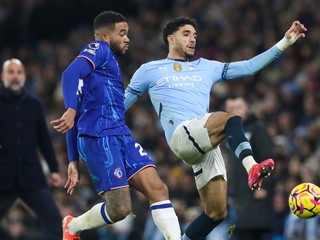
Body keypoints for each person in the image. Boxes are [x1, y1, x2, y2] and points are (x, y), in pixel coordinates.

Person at [124, 17, 307, 239]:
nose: (193, 39)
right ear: (170, 39)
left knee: (216, 213)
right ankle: (252, 167)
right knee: (231, 119)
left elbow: (249, 67)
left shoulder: (206, 67)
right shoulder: (150, 70)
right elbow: (120, 105)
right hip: (182, 134)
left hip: (205, 142)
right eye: (186, 34)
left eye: (195, 35)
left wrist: (285, 42)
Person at [51, 11, 181, 240]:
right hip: (99, 137)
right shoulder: (98, 49)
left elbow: (78, 113)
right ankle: (72, 227)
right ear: (104, 36)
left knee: (158, 189)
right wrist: (70, 109)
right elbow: (69, 73)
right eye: (122, 33)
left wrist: (72, 159)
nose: (127, 38)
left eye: (127, 33)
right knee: (120, 209)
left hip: (120, 133)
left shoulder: (101, 71)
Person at [0, 58, 63, 239]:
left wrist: (54, 169)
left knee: (57, 225)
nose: (15, 76)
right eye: (11, 72)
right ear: (3, 76)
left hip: (31, 177)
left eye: (19, 72)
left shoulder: (34, 104)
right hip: (3, 177)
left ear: (24, 77)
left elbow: (44, 140)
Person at [223, 96, 275, 240]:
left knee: (253, 234)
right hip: (238, 197)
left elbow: (268, 158)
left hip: (255, 194)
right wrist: (231, 192)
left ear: (247, 107)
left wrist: (265, 186)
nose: (236, 112)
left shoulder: (257, 128)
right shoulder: (228, 133)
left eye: (239, 107)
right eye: (231, 109)